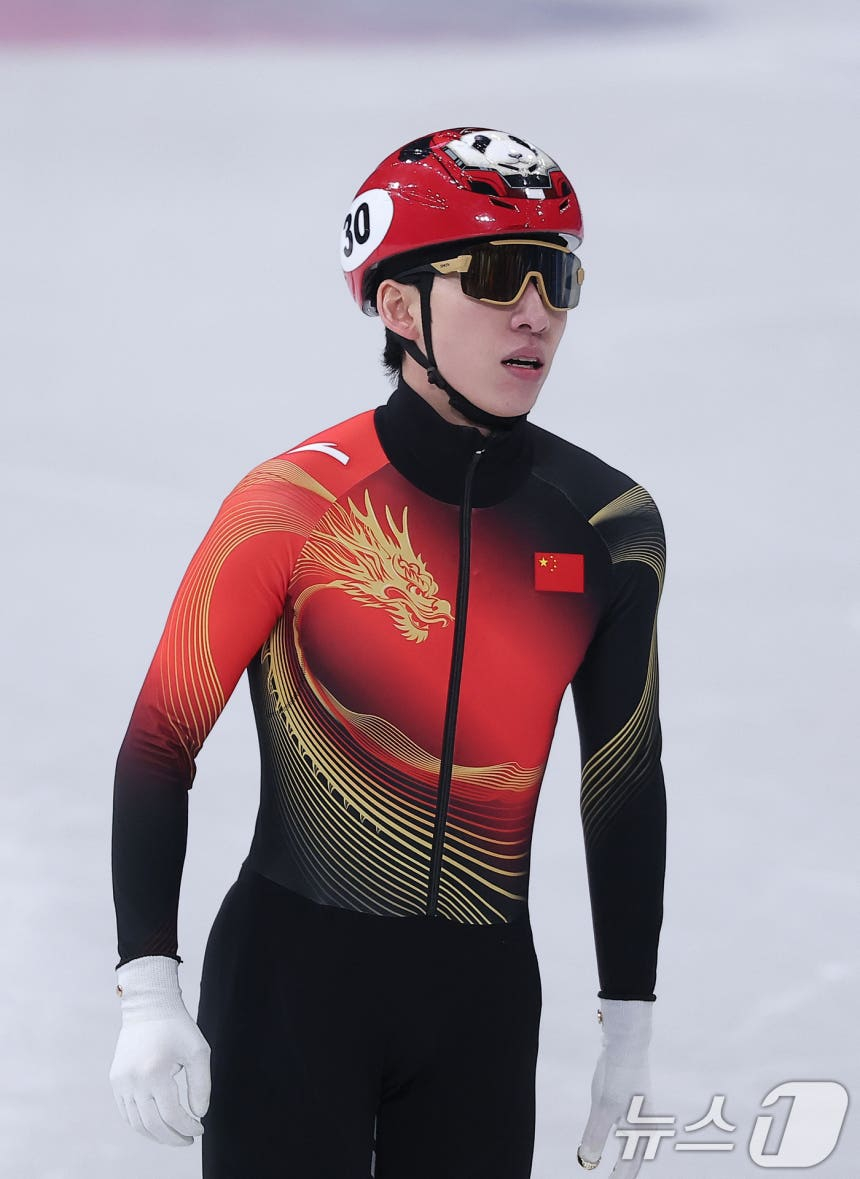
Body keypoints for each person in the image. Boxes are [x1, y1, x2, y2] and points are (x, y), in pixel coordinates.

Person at [109, 126, 667, 1178]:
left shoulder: (609, 526)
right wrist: (147, 988)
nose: (535, 313)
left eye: (556, 278)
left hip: (481, 1009)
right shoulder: (291, 504)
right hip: (288, 989)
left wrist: (628, 1029)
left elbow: (622, 780)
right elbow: (160, 739)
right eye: (498, 275)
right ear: (400, 307)